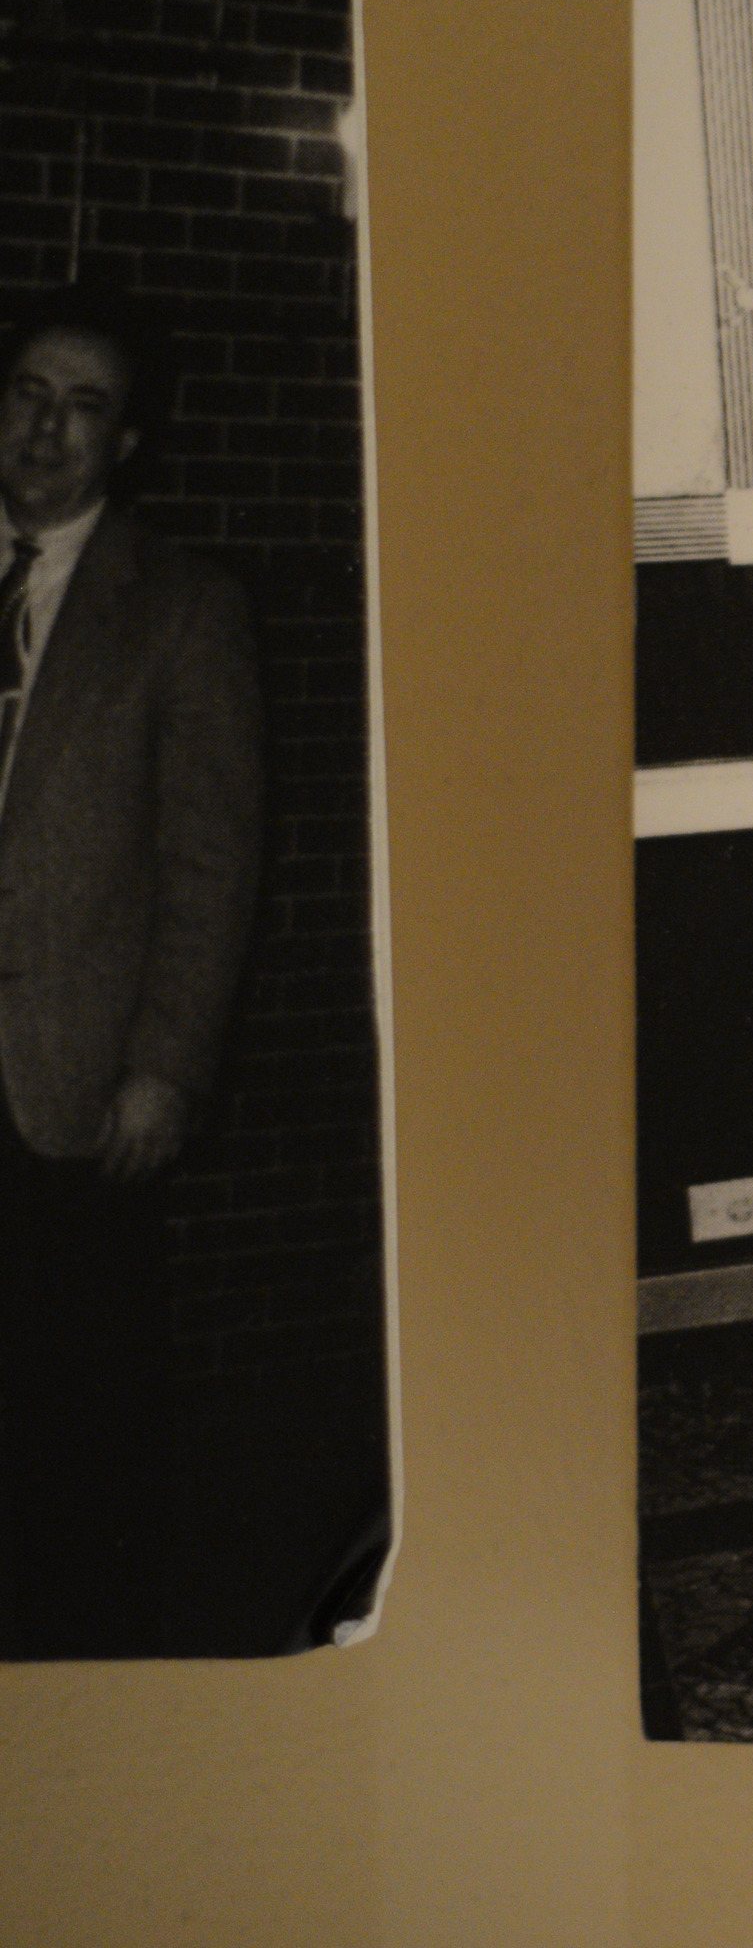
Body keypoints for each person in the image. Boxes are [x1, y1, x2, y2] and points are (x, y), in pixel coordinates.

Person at [0, 297, 263, 1657]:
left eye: (84, 403)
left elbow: (211, 866)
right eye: (29, 391)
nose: (46, 425)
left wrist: (167, 1066)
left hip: (73, 1073)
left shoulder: (182, 610)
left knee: (78, 1415)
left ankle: (87, 1678)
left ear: (128, 442)